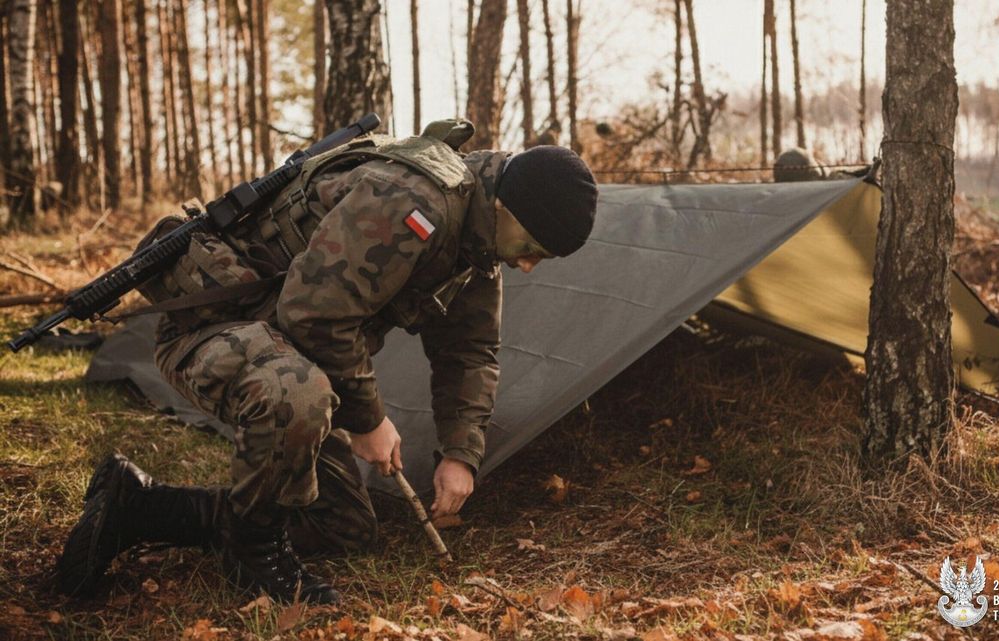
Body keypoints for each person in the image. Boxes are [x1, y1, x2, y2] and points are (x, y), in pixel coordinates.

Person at [56, 125, 599, 605]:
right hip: (212, 329)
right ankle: (252, 555)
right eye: (530, 248)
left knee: (342, 527)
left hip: (290, 351)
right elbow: (313, 314)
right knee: (300, 394)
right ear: (505, 206)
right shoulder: (413, 200)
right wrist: (368, 420)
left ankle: (136, 506)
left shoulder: (479, 246)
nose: (527, 265)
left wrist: (461, 453)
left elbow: (470, 353)